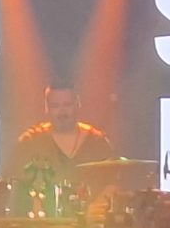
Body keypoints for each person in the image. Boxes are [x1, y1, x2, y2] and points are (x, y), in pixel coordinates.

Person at [8, 84, 115, 217]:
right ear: (47, 108)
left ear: (78, 105)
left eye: (67, 105)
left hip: (89, 223)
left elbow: (113, 183)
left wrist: (97, 207)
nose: (62, 112)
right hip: (43, 223)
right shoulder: (31, 141)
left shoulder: (96, 141)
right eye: (55, 106)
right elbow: (15, 185)